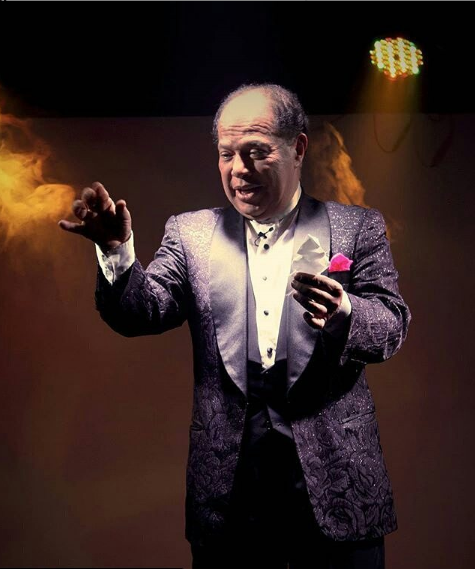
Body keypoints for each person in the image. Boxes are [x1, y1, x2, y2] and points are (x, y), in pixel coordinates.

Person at [59, 84, 411, 569]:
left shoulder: (357, 227)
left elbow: (391, 325)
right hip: (228, 498)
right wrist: (116, 252)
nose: (239, 169)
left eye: (256, 151)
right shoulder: (190, 233)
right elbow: (143, 312)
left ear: (298, 148)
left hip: (339, 490)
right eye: (227, 154)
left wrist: (346, 313)